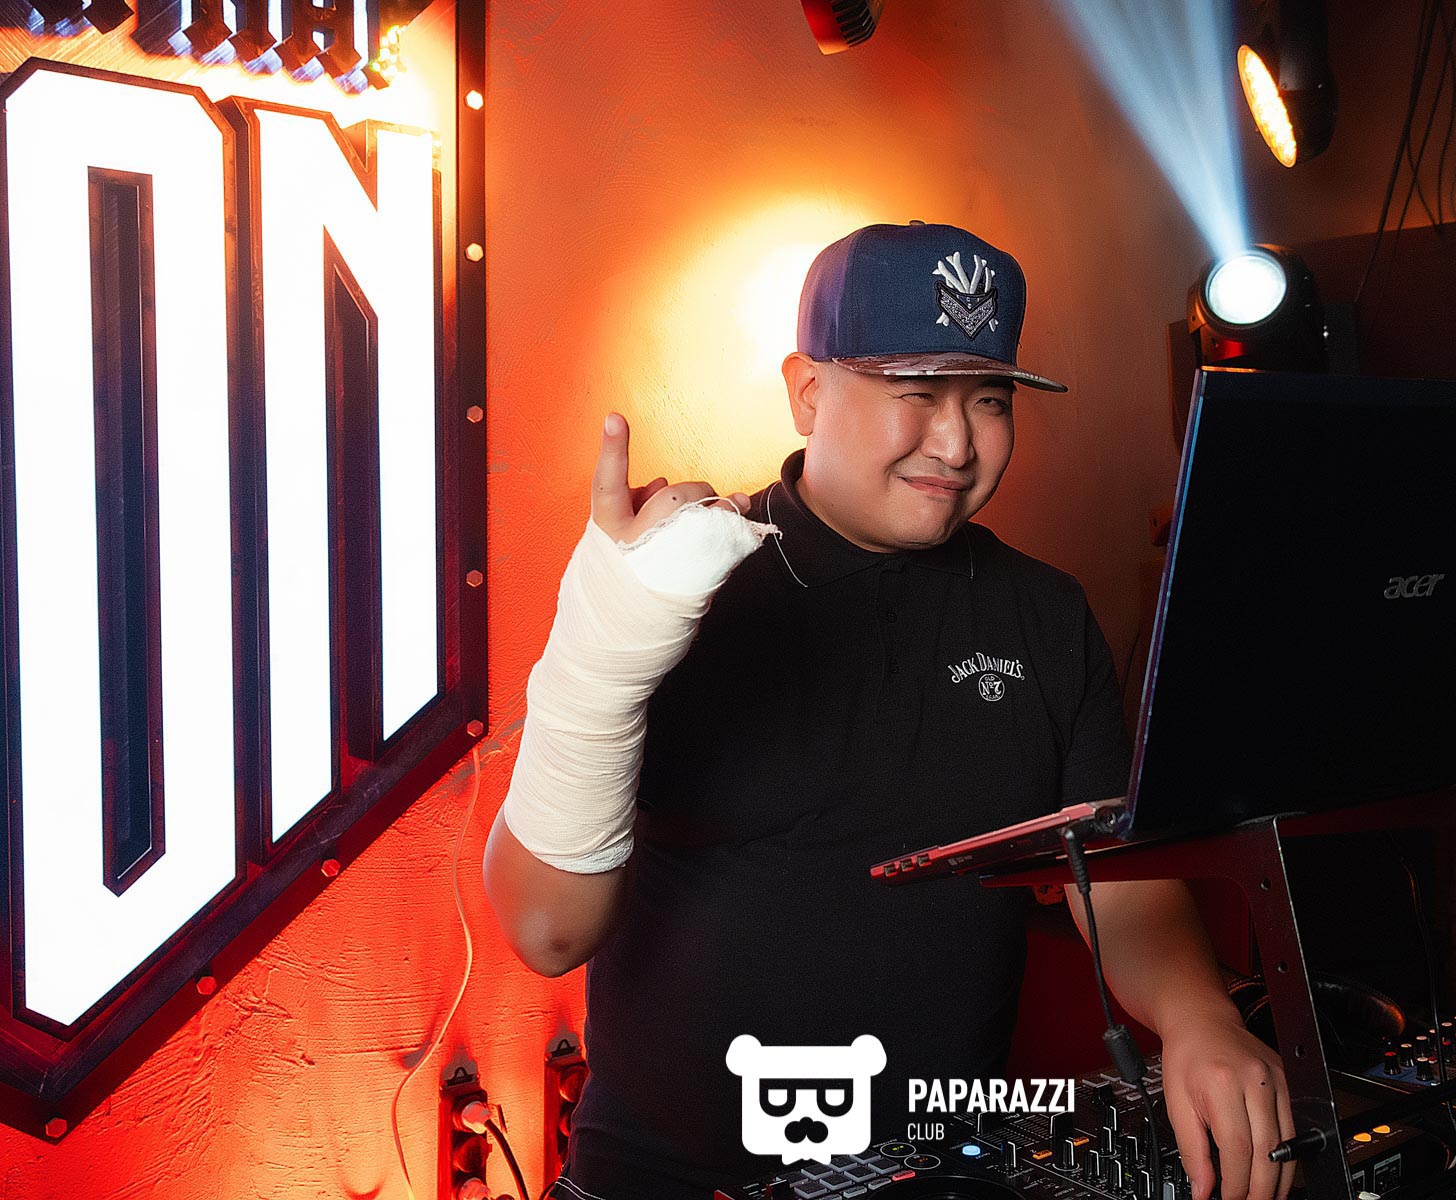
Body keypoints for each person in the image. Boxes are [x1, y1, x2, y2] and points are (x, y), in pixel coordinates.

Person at [483, 221, 1294, 1200]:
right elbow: (546, 932)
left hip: (939, 1173)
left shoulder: (1044, 613)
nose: (955, 443)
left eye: (988, 401)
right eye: (916, 393)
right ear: (806, 392)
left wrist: (1200, 1014)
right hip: (668, 1180)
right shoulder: (675, 588)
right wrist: (596, 658)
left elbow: (1111, 877)